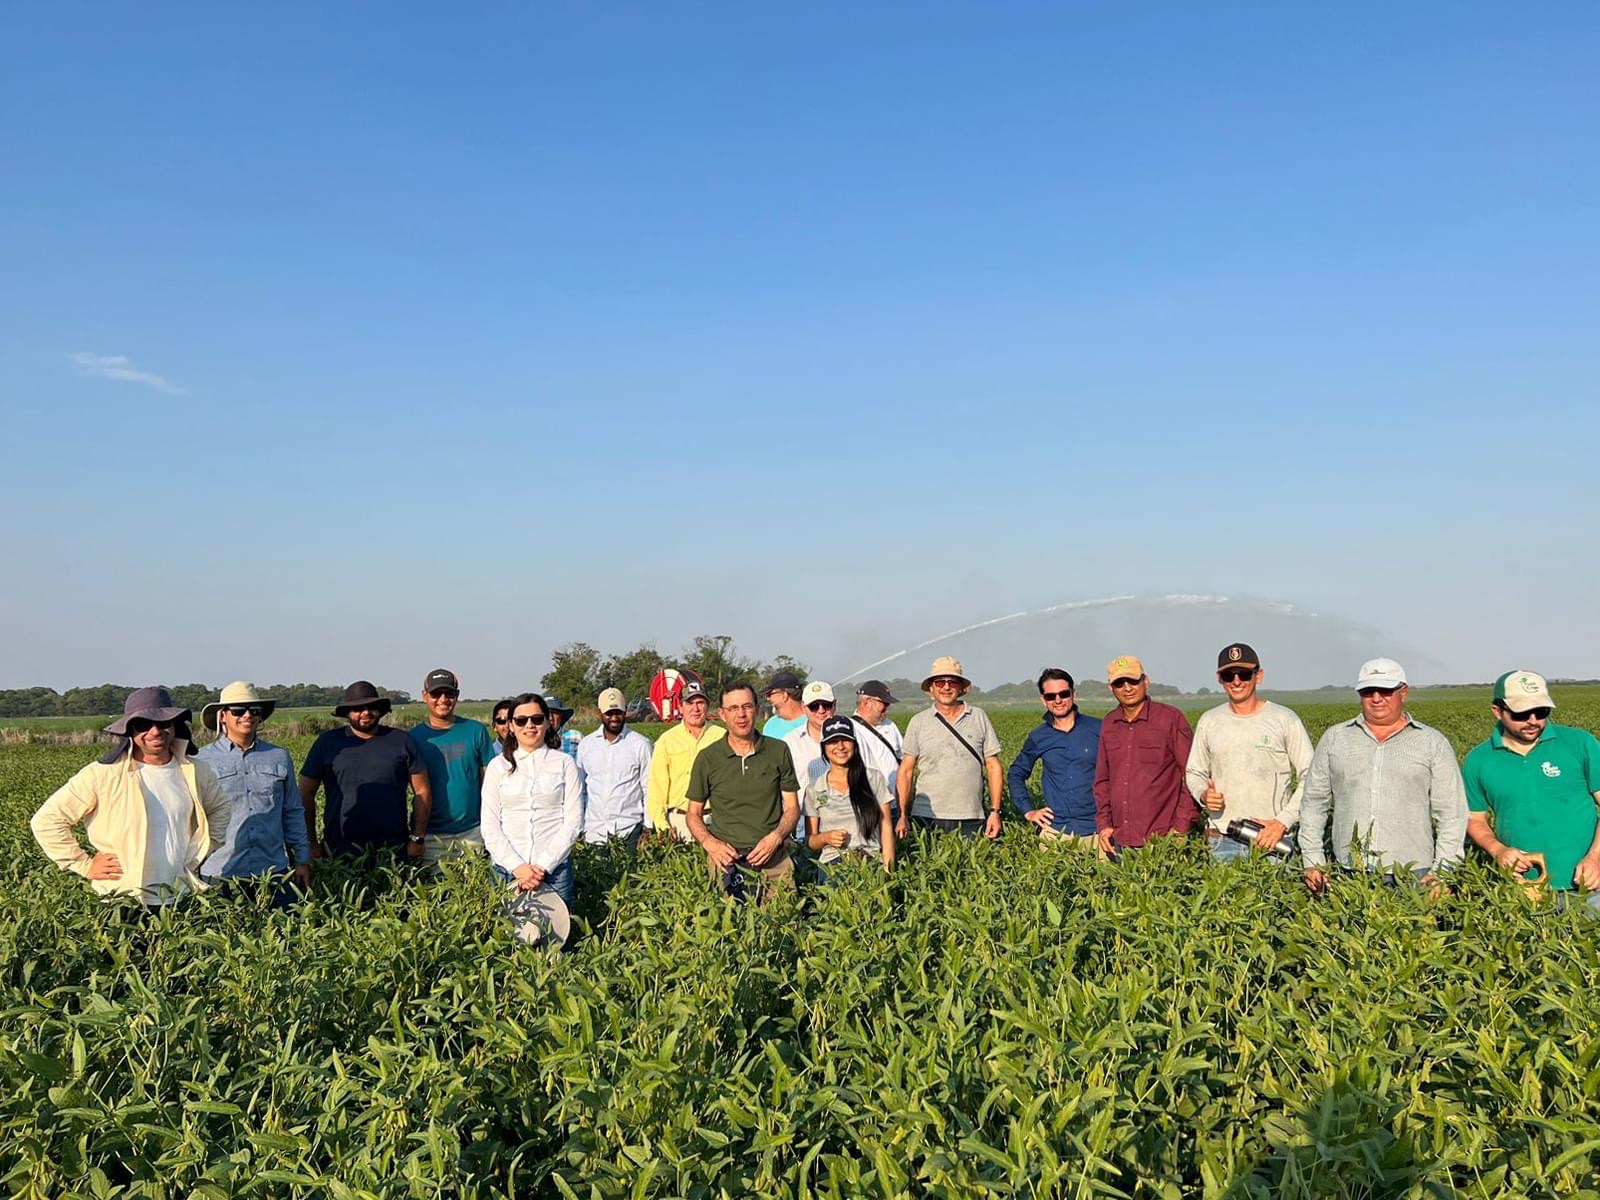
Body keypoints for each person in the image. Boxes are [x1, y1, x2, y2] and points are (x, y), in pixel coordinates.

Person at [31, 687, 230, 906]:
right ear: (129, 729)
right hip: (121, 899)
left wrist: (202, 850)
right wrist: (84, 865)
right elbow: (47, 821)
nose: (155, 731)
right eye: (143, 724)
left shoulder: (195, 770)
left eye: (164, 723)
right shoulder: (103, 774)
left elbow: (220, 809)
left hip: (181, 895)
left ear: (174, 725)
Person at [1299, 658, 1468, 891]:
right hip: (1348, 870)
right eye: (1368, 691)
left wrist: (1443, 872)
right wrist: (1313, 861)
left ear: (1403, 692)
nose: (1376, 698)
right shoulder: (1335, 738)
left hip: (1414, 874)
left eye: (1385, 690)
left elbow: (1452, 813)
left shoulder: (1432, 742)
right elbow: (1313, 803)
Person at [1464, 671, 1600, 907]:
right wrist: (1498, 851)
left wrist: (1596, 858)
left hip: (1589, 885)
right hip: (1523, 888)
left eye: (1542, 711)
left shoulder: (1580, 744)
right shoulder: (1478, 760)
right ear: (1497, 710)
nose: (1533, 720)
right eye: (1521, 713)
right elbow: (1474, 819)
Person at [1184, 644, 1314, 862]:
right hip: (1222, 839)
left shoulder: (1284, 719)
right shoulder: (1209, 721)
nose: (1236, 681)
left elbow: (1311, 774)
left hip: (1271, 837)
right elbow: (1194, 772)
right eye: (1229, 675)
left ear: (1258, 676)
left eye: (1244, 674)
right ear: (1219, 679)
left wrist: (1283, 821)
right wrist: (1203, 794)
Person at [196, 681, 311, 899]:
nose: (247, 715)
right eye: (238, 710)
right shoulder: (201, 760)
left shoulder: (279, 756)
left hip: (272, 871)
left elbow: (292, 811)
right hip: (219, 872)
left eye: (254, 710)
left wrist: (301, 859)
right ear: (223, 716)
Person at [686, 681, 800, 899]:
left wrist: (776, 837)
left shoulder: (778, 751)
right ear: (722, 714)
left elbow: (792, 807)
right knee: (727, 919)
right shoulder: (708, 758)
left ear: (757, 709)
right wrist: (710, 843)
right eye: (733, 708)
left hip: (773, 860)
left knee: (782, 916)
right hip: (726, 860)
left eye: (747, 706)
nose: (741, 715)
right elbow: (693, 813)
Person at [298, 681, 432, 862]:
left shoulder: (401, 741)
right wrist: (311, 843)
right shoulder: (328, 743)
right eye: (358, 708)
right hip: (339, 850)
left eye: (372, 707)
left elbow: (422, 791)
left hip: (394, 850)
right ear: (347, 712)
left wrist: (418, 837)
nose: (366, 712)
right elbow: (305, 794)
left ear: (380, 709)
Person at [481, 693, 583, 906]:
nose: (530, 725)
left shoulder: (565, 763)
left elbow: (573, 822)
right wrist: (518, 867)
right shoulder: (498, 766)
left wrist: (543, 866)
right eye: (521, 720)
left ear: (547, 722)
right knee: (504, 927)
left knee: (559, 928)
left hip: (554, 872)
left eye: (537, 719)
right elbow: (490, 825)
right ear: (511, 725)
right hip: (506, 871)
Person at [1094, 656, 1197, 854]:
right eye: (1119, 683)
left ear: (1146, 681)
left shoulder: (1170, 719)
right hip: (1119, 840)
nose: (1127, 688)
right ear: (1111, 688)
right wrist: (1104, 823)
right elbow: (1102, 780)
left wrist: (1181, 827)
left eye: (1133, 681)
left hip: (1163, 839)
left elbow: (1193, 774)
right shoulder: (1109, 723)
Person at [896, 657, 1004, 840]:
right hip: (926, 816)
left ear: (961, 687)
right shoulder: (919, 722)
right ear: (931, 688)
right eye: (940, 682)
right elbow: (906, 770)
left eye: (952, 682)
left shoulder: (978, 717)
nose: (946, 687)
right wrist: (902, 815)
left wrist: (995, 811)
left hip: (971, 816)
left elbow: (994, 767)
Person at [408, 668, 499, 867]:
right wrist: (417, 836)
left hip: (473, 831)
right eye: (436, 694)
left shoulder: (475, 731)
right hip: (430, 835)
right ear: (424, 696)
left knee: (475, 884)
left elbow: (490, 783)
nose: (443, 699)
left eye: (449, 693)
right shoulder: (412, 738)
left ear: (457, 695)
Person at [1007, 669, 1102, 847]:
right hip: (1056, 832)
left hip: (1098, 831)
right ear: (1043, 700)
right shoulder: (1038, 736)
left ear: (1074, 694)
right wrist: (1028, 811)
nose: (1058, 700)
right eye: (1050, 696)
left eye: (1064, 694)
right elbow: (1016, 773)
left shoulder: (1099, 729)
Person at [803, 716, 896, 873]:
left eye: (846, 740)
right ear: (824, 747)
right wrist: (825, 838)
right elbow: (810, 841)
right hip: (833, 866)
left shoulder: (873, 778)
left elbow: (886, 826)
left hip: (870, 862)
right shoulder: (815, 788)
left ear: (855, 744)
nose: (840, 747)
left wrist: (889, 870)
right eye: (833, 742)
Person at [645, 679, 726, 840]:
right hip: (679, 822)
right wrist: (663, 827)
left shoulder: (722, 737)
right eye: (689, 703)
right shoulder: (666, 741)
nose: (695, 708)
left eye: (700, 703)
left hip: (716, 821)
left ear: (707, 706)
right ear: (681, 707)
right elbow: (657, 789)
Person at [576, 687, 654, 847]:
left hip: (629, 830)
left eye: (618, 712)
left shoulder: (641, 744)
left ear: (625, 712)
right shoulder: (586, 745)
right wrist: (579, 827)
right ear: (600, 713)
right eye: (609, 713)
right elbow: (580, 790)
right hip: (594, 832)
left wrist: (648, 826)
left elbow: (648, 788)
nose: (614, 718)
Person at [781, 679, 836, 837]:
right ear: (804, 708)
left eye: (826, 705)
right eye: (814, 706)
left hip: (841, 820)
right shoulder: (789, 742)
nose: (821, 710)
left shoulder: (852, 738)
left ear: (834, 705)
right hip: (801, 823)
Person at [848, 680, 903, 799]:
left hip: (896, 803)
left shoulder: (890, 725)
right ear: (866, 703)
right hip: (869, 803)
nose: (887, 708)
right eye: (884, 703)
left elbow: (902, 759)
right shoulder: (850, 729)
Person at [761, 670, 807, 739]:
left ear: (784, 696)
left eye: (769, 694)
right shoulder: (770, 725)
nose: (768, 698)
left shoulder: (813, 720)